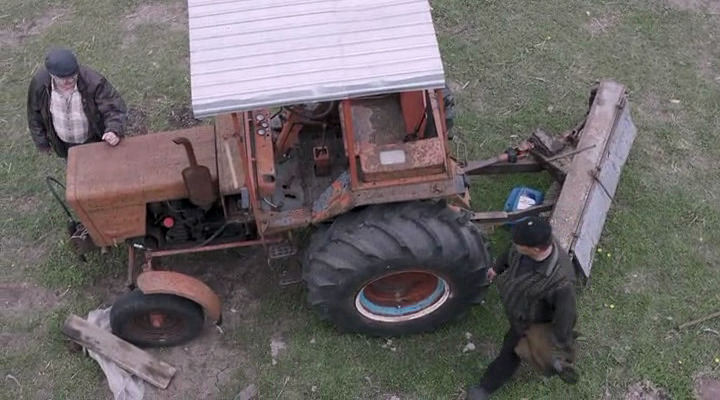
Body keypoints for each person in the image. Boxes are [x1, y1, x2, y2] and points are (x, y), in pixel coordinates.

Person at [466, 217, 578, 399]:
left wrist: (560, 341)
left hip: (529, 321)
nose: (514, 244)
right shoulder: (524, 247)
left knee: (511, 351)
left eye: (519, 244)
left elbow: (566, 315)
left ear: (536, 249)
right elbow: (510, 252)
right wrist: (497, 268)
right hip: (517, 307)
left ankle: (485, 388)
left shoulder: (560, 281)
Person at [27, 47, 127, 158]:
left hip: (93, 139)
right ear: (52, 75)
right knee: (74, 165)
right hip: (64, 144)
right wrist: (42, 142)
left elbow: (114, 108)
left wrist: (113, 130)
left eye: (72, 77)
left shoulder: (94, 82)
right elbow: (34, 115)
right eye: (62, 79)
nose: (68, 82)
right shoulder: (40, 83)